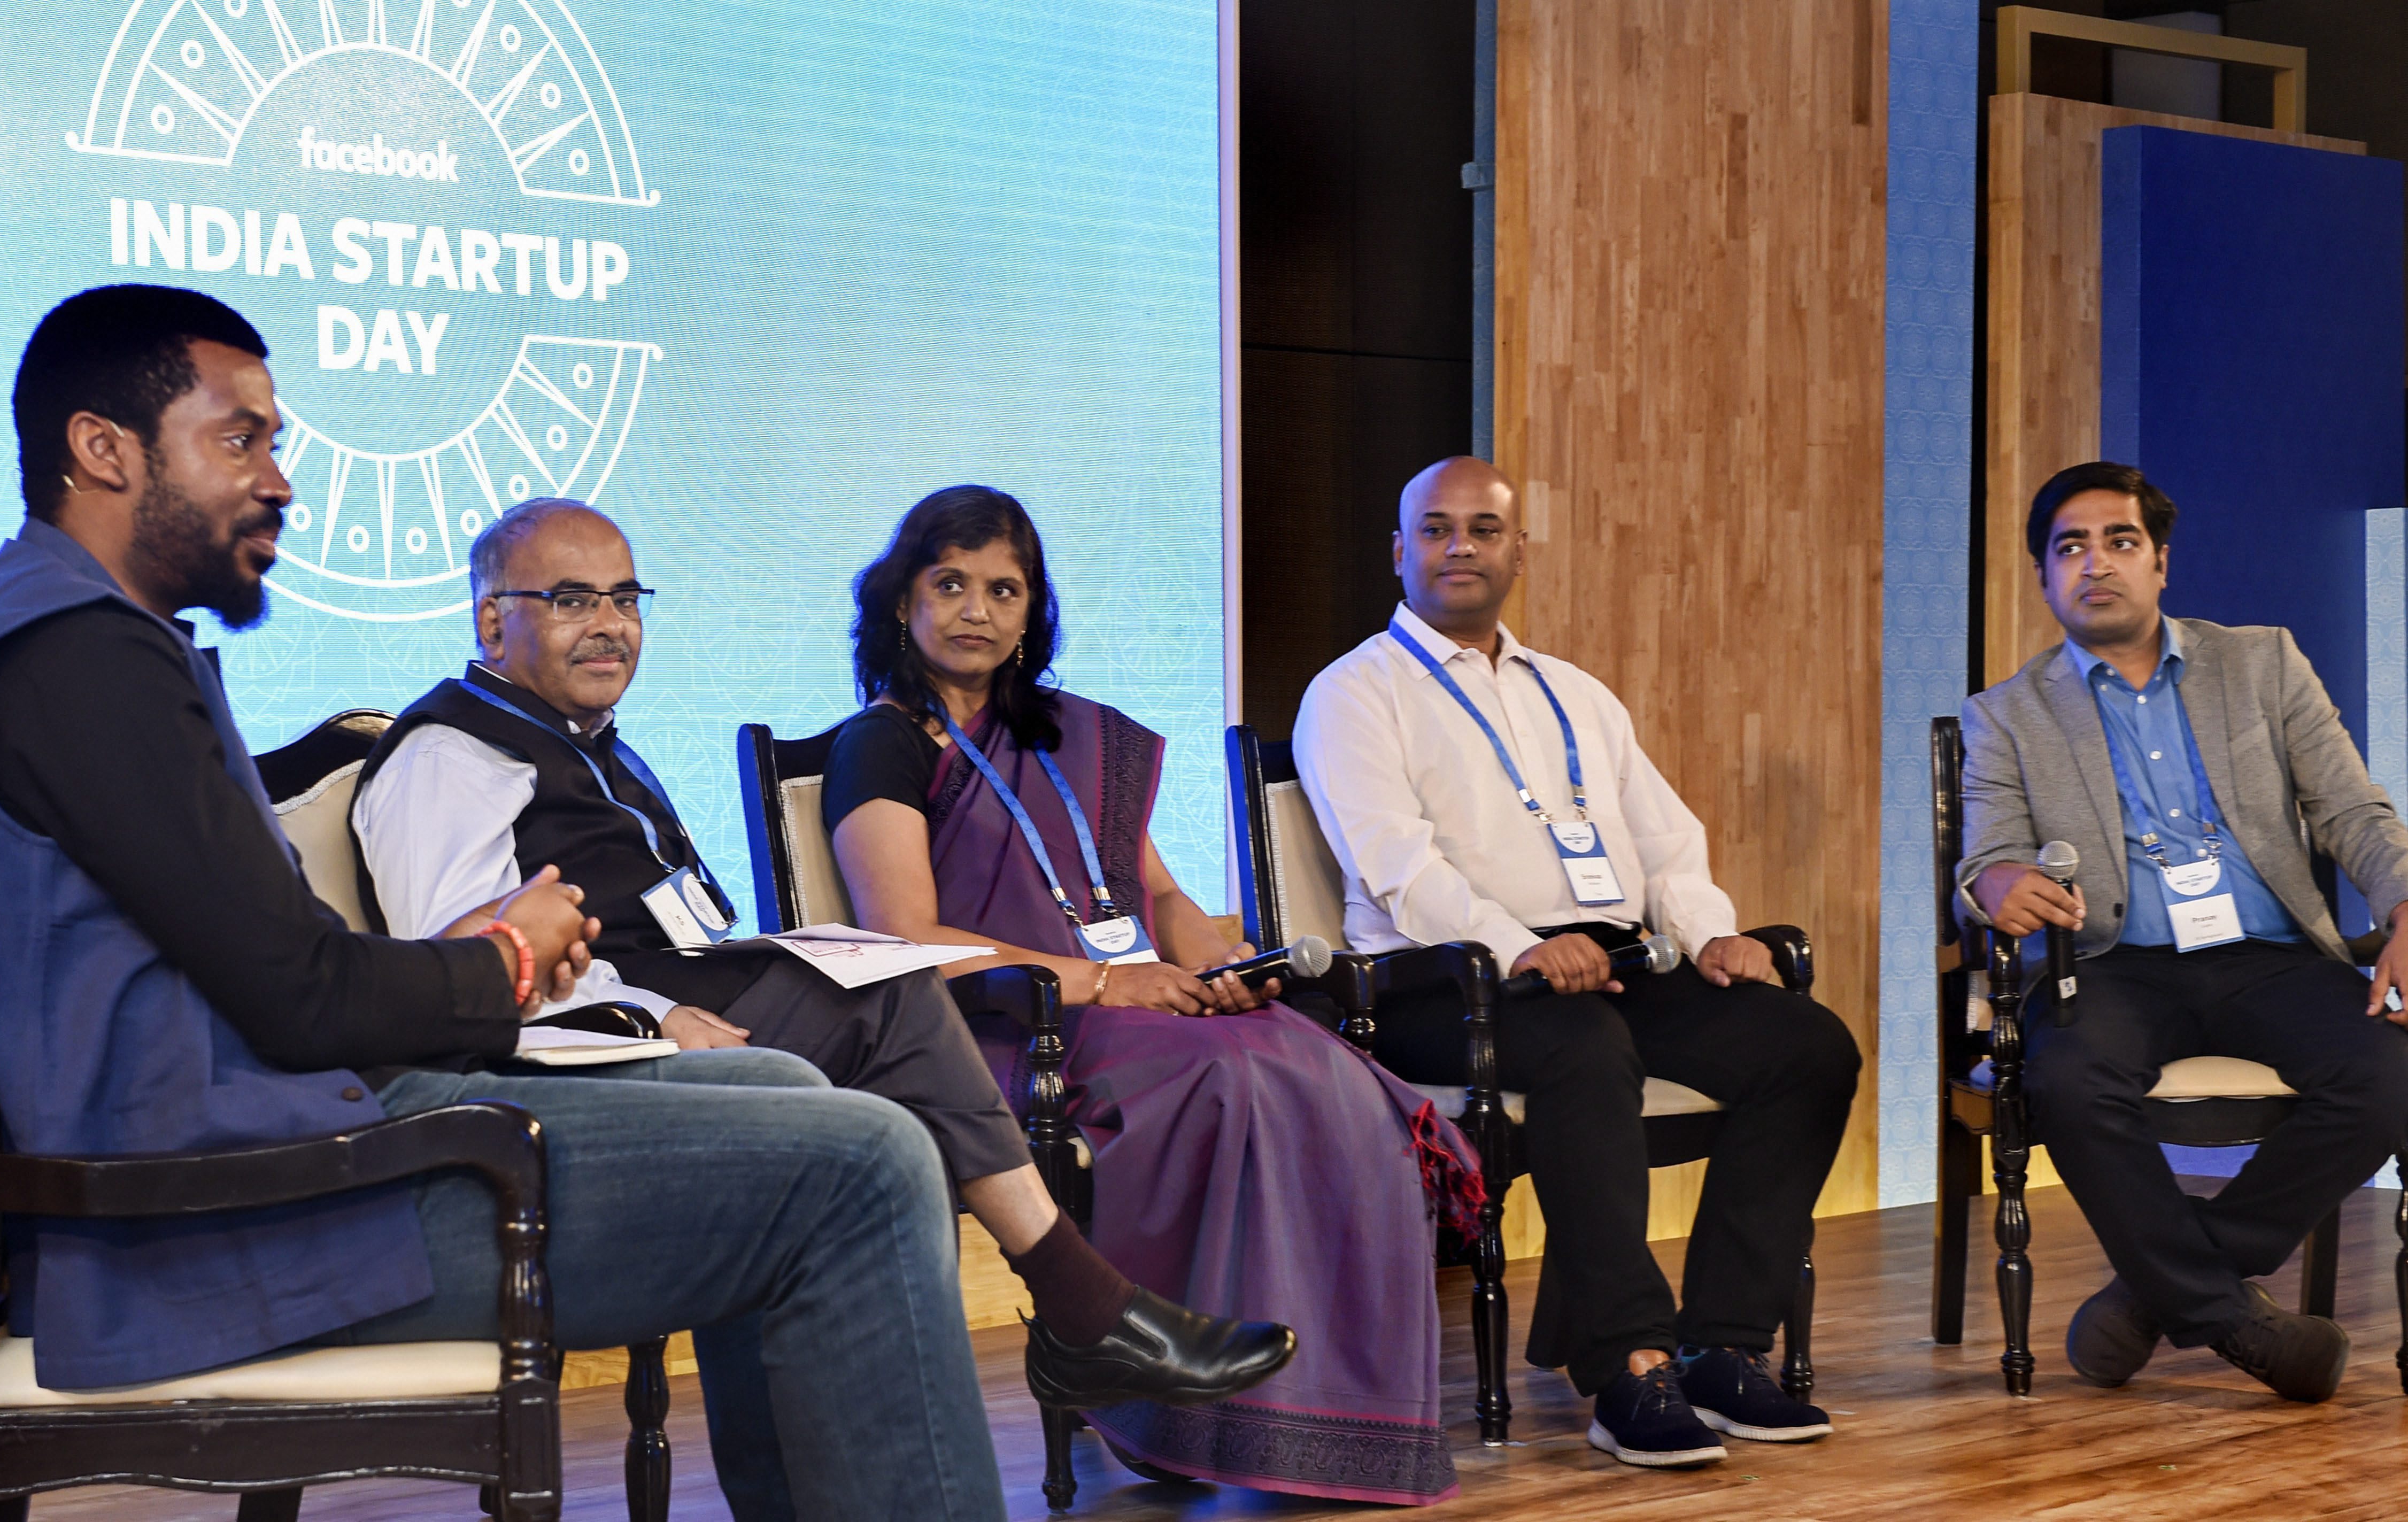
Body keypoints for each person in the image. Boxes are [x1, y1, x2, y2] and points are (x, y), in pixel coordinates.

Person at [0, 284, 1005, 1519]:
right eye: (240, 438)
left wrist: (492, 969)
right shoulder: (75, 655)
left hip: (276, 1164)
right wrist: (505, 962)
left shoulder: (66, 637)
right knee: (866, 1162)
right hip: (225, 1227)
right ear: (103, 449)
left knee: (794, 1092)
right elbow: (302, 996)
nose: (280, 482)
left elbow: (275, 976)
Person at [349, 495, 1292, 1416]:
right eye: (572, 600)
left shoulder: (584, 744)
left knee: (882, 1010)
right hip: (590, 1055)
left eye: (626, 600)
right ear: (490, 619)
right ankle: (1083, 1309)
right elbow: (466, 968)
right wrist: (652, 1014)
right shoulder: (449, 757)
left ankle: (1047, 1333)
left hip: (683, 994)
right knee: (892, 994)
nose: (610, 627)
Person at [820, 484, 1484, 1506]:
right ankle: (1184, 1403)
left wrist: (1222, 962)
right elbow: (906, 937)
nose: (977, 611)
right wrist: (1103, 981)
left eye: (1005, 589)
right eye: (948, 584)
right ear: (901, 600)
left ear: (1032, 611)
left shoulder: (1067, 734)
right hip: (1008, 1023)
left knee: (1321, 1069)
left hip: (1133, 1007)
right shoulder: (884, 743)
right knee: (1235, 1083)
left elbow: (1161, 894)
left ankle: (1334, 1421)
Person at [1291, 455, 1859, 1469]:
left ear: (1520, 551)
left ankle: (1722, 1347)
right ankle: (1626, 1367)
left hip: (1610, 965)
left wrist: (1711, 932)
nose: (1459, 546)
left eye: (1483, 528)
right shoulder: (1354, 693)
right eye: (1435, 529)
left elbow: (1666, 839)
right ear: (1399, 550)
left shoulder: (1578, 695)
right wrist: (1521, 947)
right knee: (1586, 1049)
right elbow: (1399, 866)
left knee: (1807, 1047)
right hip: (1442, 978)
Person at [1957, 460, 2408, 1403]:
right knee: (2069, 1082)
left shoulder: (2263, 662)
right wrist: (1996, 879)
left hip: (2269, 956)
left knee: (2390, 1068)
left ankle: (2150, 1301)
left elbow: (2353, 813)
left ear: (2160, 562)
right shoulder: (2006, 714)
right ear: (2044, 576)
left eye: (2119, 542)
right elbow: (1988, 857)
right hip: (2114, 964)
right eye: (2068, 547)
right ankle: (2237, 1322)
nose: (2095, 564)